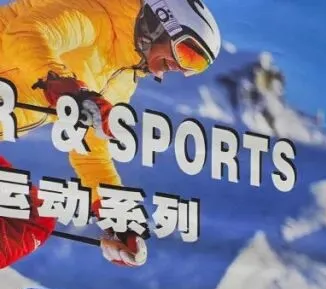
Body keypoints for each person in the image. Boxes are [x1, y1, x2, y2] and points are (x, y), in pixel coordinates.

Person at [0, 0, 220, 268]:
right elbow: (24, 33)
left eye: (195, 65)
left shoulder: (121, 80)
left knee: (31, 218)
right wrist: (64, 84)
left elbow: (92, 153)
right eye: (186, 53)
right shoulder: (94, 17)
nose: (180, 68)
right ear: (159, 22)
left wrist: (119, 219)